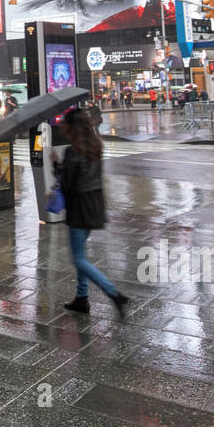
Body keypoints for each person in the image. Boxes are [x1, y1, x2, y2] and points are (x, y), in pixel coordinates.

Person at [58, 107, 128, 318]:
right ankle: (81, 298)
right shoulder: (96, 146)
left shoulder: (72, 151)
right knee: (82, 254)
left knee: (78, 258)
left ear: (72, 127)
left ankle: (114, 293)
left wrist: (57, 167)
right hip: (95, 203)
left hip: (79, 206)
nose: (62, 126)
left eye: (65, 123)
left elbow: (68, 185)